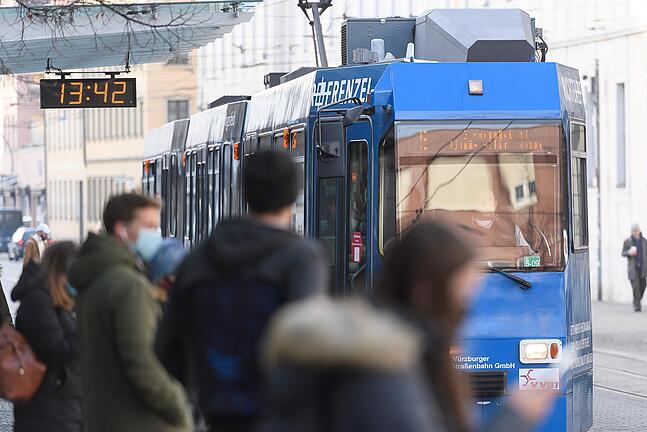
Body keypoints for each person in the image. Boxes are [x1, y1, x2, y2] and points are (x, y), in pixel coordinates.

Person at [261, 221, 553, 432]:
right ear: (424, 290)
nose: (465, 313)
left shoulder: (381, 351)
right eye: (462, 297)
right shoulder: (381, 368)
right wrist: (513, 419)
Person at [156, 150, 328, 432]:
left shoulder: (198, 259)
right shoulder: (302, 259)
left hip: (218, 413)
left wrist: (204, 383)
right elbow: (308, 349)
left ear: (245, 191)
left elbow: (166, 346)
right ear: (293, 196)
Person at [68, 193, 191, 432]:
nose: (155, 235)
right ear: (121, 229)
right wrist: (177, 402)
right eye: (149, 227)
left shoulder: (95, 276)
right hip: (140, 421)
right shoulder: (129, 286)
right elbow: (142, 364)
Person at [11, 241, 82, 432]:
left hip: (62, 409)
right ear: (60, 273)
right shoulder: (38, 301)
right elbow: (56, 350)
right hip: (47, 412)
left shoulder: (57, 301)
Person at [621, 224, 647, 312]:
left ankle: (636, 300)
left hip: (643, 268)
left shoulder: (643, 241)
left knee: (643, 285)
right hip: (633, 269)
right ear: (632, 232)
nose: (636, 232)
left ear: (639, 231)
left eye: (637, 230)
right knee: (636, 287)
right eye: (634, 231)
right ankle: (637, 305)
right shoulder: (627, 242)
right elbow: (623, 253)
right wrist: (629, 252)